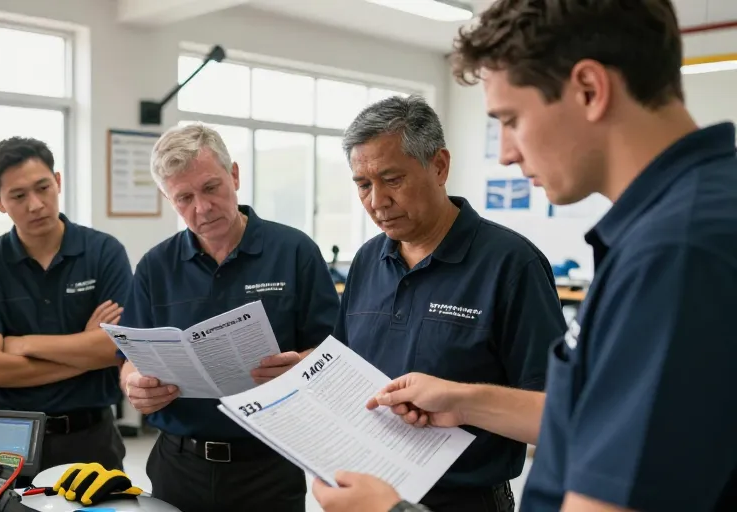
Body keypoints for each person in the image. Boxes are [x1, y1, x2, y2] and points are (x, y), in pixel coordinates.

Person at [319, 1, 737, 512]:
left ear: (589, 89)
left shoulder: (675, 251)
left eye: (511, 119)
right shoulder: (688, 216)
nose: (507, 153)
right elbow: (590, 412)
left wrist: (390, 510)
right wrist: (463, 400)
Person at [330, 94, 565, 512]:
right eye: (363, 185)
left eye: (392, 179)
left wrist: (460, 399)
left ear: (439, 166)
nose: (376, 201)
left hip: (466, 501)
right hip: (367, 496)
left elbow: (557, 413)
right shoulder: (367, 260)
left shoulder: (512, 264)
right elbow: (349, 371)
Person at [119, 124, 339, 512]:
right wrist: (134, 384)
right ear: (169, 199)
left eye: (210, 188)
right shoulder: (156, 266)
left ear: (234, 175)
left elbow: (335, 352)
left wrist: (301, 367)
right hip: (178, 465)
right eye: (184, 197)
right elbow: (131, 355)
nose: (201, 208)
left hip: (269, 465)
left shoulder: (294, 251)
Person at [0, 136, 131, 477]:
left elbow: (114, 349)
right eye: (18, 196)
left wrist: (24, 344)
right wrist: (85, 351)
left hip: (90, 434)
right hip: (8, 435)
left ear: (58, 182)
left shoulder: (104, 252)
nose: (35, 204)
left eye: (43, 188)